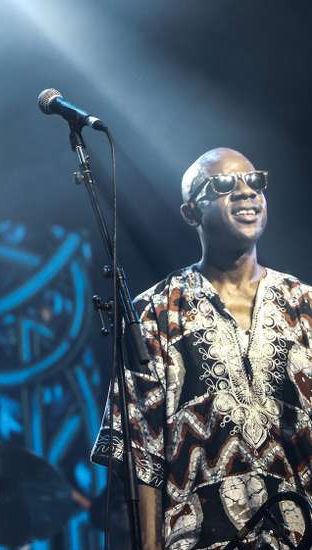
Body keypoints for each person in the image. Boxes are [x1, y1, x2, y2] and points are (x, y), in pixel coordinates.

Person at [92, 147, 312, 549]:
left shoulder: (304, 305)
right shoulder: (156, 313)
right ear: (191, 213)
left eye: (255, 181)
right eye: (225, 185)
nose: (247, 193)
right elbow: (143, 458)